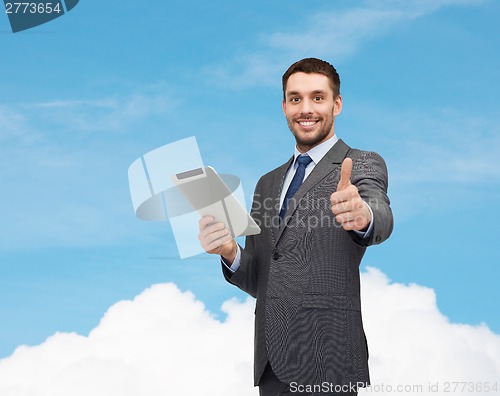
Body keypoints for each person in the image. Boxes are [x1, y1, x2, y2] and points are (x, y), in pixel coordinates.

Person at [198, 58, 393, 396]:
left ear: (337, 104)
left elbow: (380, 215)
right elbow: (261, 278)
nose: (306, 109)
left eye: (318, 97)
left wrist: (362, 214)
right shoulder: (267, 183)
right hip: (271, 360)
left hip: (329, 356)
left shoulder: (361, 162)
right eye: (295, 98)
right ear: (284, 106)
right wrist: (229, 252)